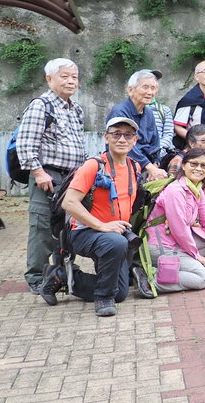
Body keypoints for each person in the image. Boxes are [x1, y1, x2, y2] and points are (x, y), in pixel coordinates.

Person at [39, 117, 141, 316]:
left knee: (120, 293)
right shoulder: (94, 166)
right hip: (84, 232)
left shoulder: (134, 167)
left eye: (128, 135)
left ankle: (62, 276)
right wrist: (102, 226)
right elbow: (69, 202)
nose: (122, 139)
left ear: (135, 140)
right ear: (106, 137)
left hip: (114, 234)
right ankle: (103, 298)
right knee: (116, 243)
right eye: (116, 134)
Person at [17, 58, 87, 295]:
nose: (71, 81)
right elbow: (25, 144)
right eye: (64, 76)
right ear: (49, 79)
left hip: (72, 178)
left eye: (74, 77)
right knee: (42, 227)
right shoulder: (41, 105)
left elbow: (79, 144)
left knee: (66, 226)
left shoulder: (76, 109)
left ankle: (61, 272)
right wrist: (38, 172)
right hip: (47, 176)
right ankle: (36, 276)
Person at [140, 148, 205, 295]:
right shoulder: (175, 190)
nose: (199, 169)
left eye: (203, 166)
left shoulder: (195, 188)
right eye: (194, 164)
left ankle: (175, 266)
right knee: (203, 278)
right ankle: (151, 279)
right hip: (159, 246)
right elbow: (179, 229)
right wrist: (196, 255)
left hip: (175, 242)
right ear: (183, 165)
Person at [107, 70, 168, 181]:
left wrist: (155, 164)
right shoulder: (119, 111)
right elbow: (124, 145)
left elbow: (155, 143)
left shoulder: (148, 112)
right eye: (145, 87)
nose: (150, 92)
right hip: (124, 165)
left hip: (146, 166)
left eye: (153, 88)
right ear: (130, 90)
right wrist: (149, 167)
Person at [146, 70, 177, 159]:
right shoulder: (129, 110)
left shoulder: (164, 110)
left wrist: (157, 152)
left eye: (154, 84)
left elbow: (168, 134)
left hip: (160, 156)